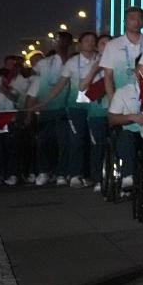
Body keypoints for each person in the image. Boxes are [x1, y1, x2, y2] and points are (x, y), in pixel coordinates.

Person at [26, 33, 74, 185]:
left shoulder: (73, 61)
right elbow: (34, 89)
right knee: (44, 143)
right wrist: (29, 113)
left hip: (65, 110)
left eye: (61, 41)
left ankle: (61, 173)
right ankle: (44, 172)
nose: (58, 43)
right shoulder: (44, 64)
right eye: (57, 41)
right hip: (46, 111)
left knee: (63, 143)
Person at [60, 32, 101, 187]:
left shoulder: (101, 59)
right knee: (77, 140)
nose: (90, 43)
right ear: (80, 44)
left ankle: (92, 175)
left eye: (93, 40)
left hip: (95, 106)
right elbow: (61, 84)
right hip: (76, 106)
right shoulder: (72, 62)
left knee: (94, 141)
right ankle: (75, 174)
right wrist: (47, 101)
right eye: (86, 40)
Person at [100, 7, 143, 98]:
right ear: (125, 22)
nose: (136, 21)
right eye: (132, 18)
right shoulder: (112, 45)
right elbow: (108, 77)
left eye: (139, 18)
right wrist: (111, 100)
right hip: (121, 99)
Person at [85, 33, 112, 192]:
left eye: (109, 43)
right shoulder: (92, 65)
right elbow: (85, 89)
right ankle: (98, 179)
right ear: (97, 47)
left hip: (116, 112)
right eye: (102, 43)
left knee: (117, 146)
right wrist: (96, 71)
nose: (106, 46)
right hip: (97, 114)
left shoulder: (120, 63)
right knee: (98, 147)